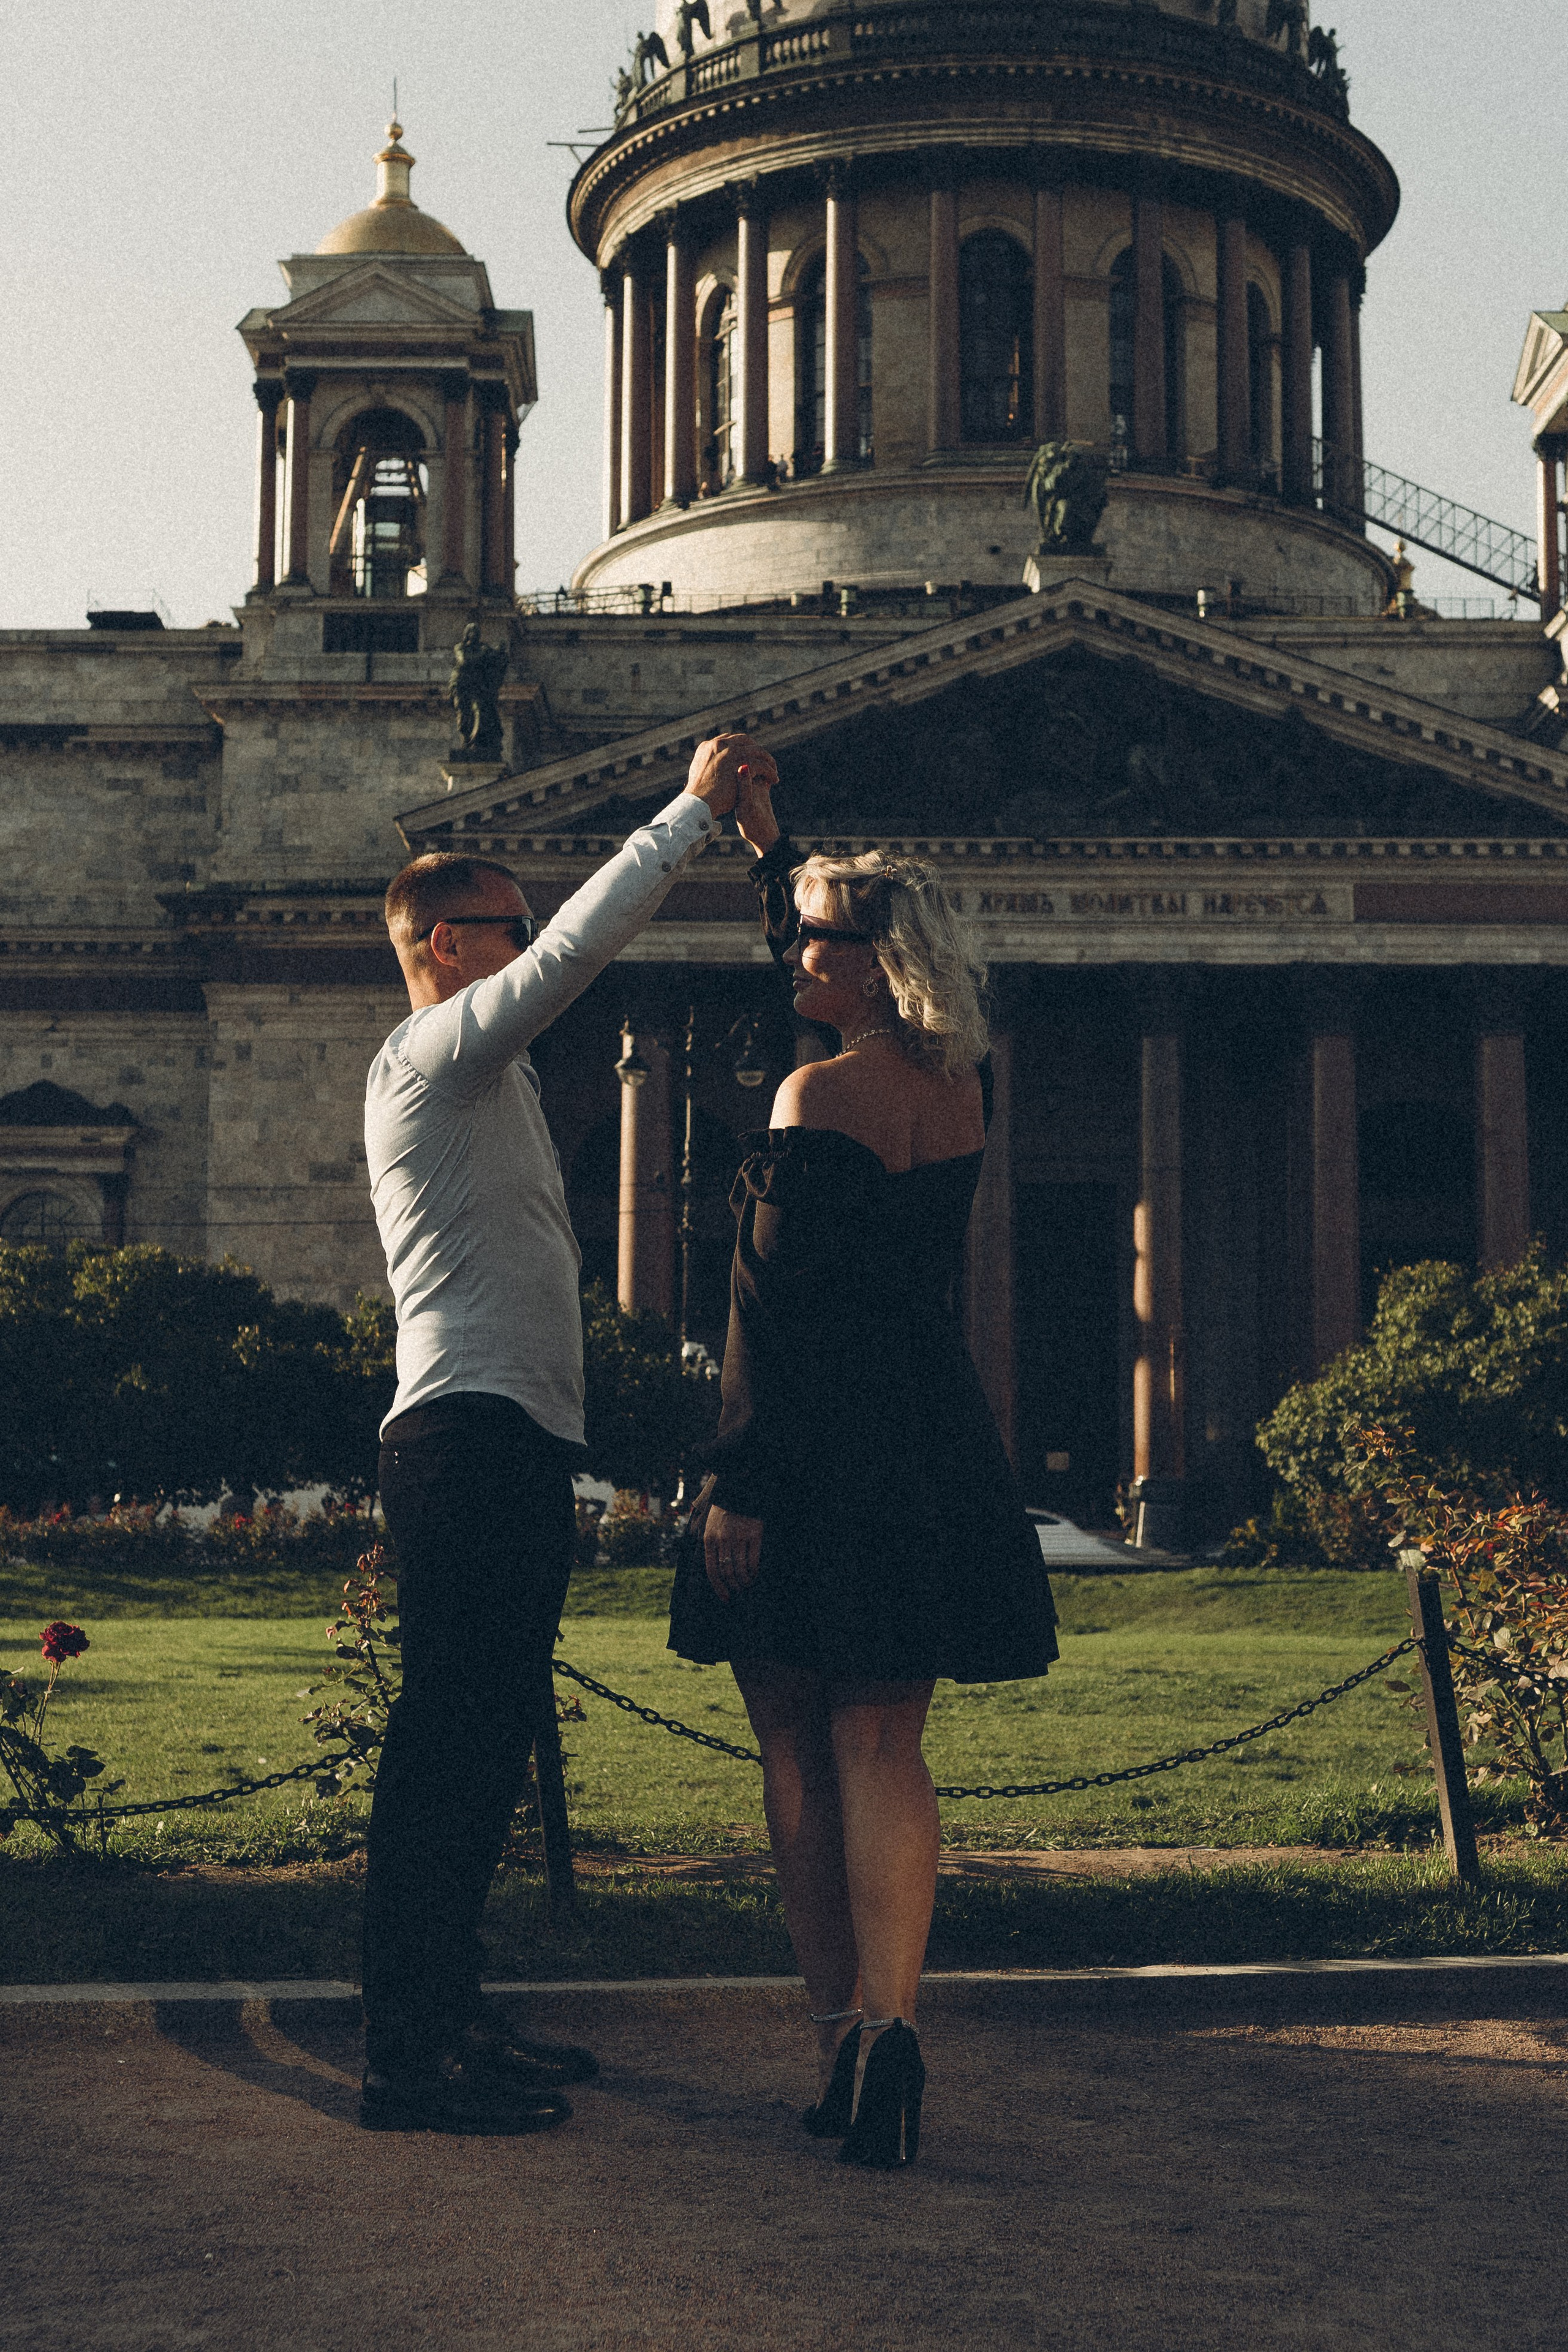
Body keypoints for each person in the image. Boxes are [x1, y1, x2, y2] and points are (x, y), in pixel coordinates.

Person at [361, 733, 761, 2136]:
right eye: (510, 929)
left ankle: (451, 2016)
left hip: (507, 1439)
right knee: (447, 1752)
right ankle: (407, 2054)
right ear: (443, 944)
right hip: (465, 1440)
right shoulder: (433, 1053)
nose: (529, 948)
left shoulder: (490, 1081)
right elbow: (571, 963)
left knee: (481, 1750)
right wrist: (687, 818)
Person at [668, 767, 1058, 2169]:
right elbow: (821, 925)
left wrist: (737, 1483)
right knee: (885, 1742)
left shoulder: (812, 1094)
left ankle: (833, 2031)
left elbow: (768, 1320)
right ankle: (893, 2033)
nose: (792, 955)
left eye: (815, 942)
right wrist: (780, 856)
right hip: (929, 1444)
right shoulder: (966, 1084)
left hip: (809, 1455)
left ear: (877, 965)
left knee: (792, 1741)